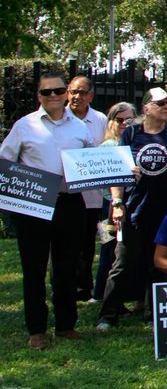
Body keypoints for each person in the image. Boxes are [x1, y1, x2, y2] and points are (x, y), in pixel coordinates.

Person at [1, 72, 93, 349]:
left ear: (67, 93)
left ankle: (66, 325)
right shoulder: (24, 126)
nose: (52, 96)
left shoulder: (80, 128)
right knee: (34, 267)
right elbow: (5, 160)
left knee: (66, 267)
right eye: (46, 92)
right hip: (34, 203)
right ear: (38, 96)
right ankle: (37, 329)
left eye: (58, 90)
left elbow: (93, 160)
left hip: (69, 202)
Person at [97, 87, 167, 332]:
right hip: (134, 210)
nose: (166, 106)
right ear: (146, 108)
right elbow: (118, 172)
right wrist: (117, 203)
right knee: (122, 262)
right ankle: (108, 314)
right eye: (161, 103)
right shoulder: (132, 133)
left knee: (157, 264)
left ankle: (152, 313)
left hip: (164, 211)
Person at [66, 75, 109, 302]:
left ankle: (84, 288)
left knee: (90, 242)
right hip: (65, 194)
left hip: (94, 197)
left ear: (90, 96)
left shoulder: (100, 119)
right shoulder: (58, 118)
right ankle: (65, 287)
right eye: (73, 92)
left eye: (82, 93)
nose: (76, 97)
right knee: (65, 243)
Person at [91, 102, 137, 303]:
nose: (125, 124)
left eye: (129, 120)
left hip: (132, 204)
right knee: (108, 246)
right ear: (111, 123)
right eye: (120, 120)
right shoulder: (106, 147)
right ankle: (99, 293)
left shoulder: (137, 144)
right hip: (108, 206)